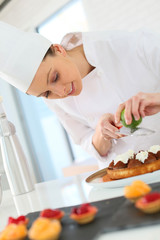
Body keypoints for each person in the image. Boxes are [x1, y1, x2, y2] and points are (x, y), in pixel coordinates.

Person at [1, 21, 160, 169]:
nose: (60, 92)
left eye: (55, 77)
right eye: (47, 93)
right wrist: (101, 133)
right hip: (123, 180)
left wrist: (156, 99)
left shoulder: (129, 45)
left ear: (59, 49)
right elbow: (84, 140)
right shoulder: (53, 101)